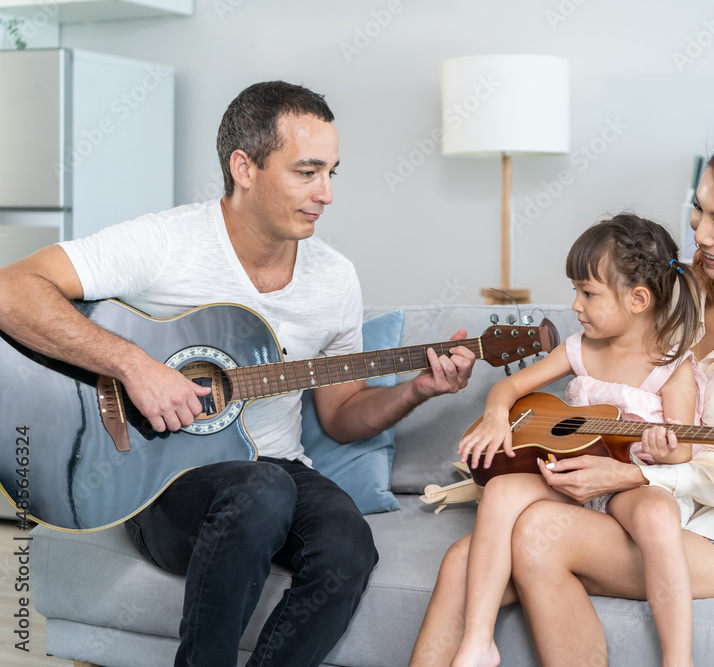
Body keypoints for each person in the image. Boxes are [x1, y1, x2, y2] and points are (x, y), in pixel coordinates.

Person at [0, 81, 476, 667]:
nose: (325, 193)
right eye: (307, 171)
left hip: (273, 468)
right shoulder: (164, 242)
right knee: (262, 490)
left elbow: (343, 415)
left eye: (332, 172)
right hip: (158, 480)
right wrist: (135, 366)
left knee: (347, 545)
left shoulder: (334, 279)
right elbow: (10, 289)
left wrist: (414, 391)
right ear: (243, 167)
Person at [410, 129, 714, 667]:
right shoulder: (677, 288)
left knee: (540, 533)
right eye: (700, 210)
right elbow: (597, 334)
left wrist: (636, 476)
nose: (702, 236)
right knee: (464, 562)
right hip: (640, 503)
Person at [412, 213, 706, 667]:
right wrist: (493, 417)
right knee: (503, 489)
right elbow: (508, 388)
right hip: (569, 480)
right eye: (575, 290)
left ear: (638, 299)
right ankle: (478, 639)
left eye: (588, 293)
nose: (574, 305)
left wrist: (669, 449)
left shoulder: (673, 367)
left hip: (630, 484)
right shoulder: (579, 350)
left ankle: (678, 659)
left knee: (656, 515)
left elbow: (683, 451)